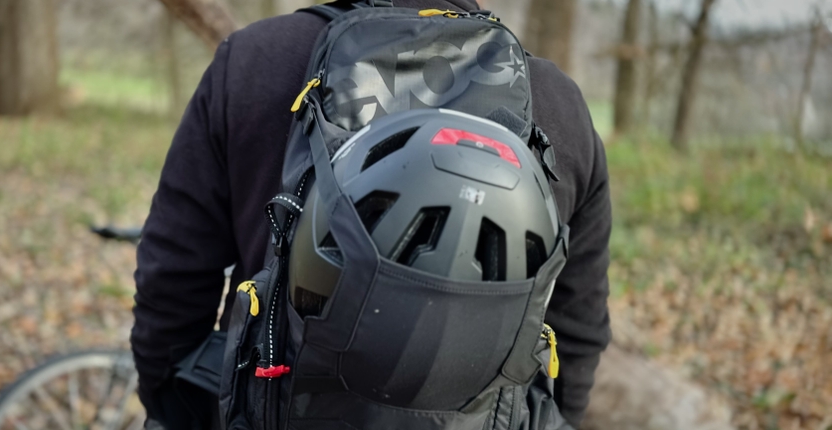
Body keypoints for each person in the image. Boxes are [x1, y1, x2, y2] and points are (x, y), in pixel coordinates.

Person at [131, 0, 612, 428]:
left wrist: (171, 405)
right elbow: (576, 334)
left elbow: (172, 279)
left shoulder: (255, 61)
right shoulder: (559, 105)